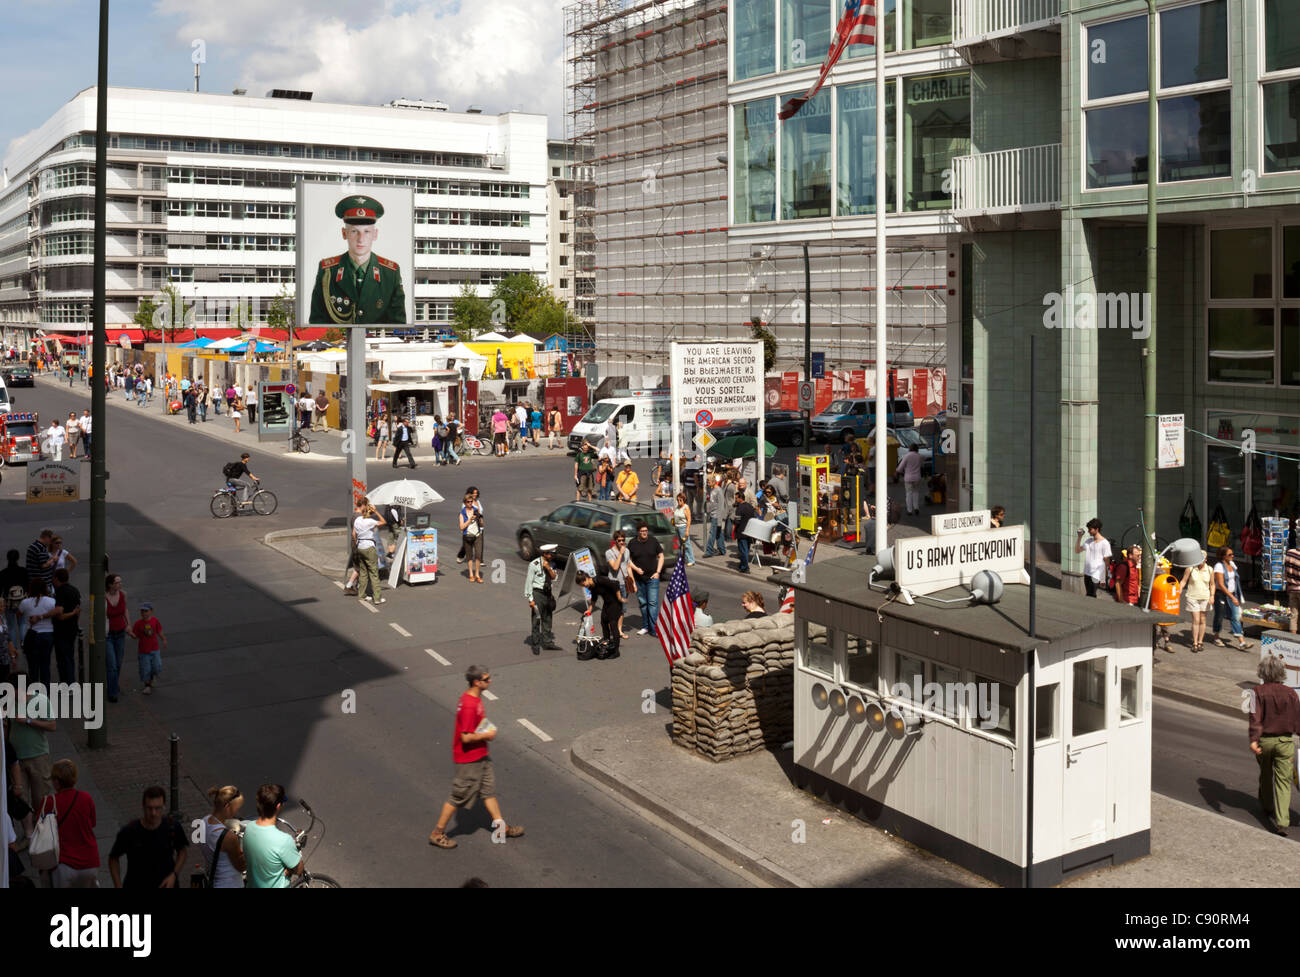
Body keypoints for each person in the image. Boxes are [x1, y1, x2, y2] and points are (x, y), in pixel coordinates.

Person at [428, 666, 525, 849]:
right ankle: (437, 832)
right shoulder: (469, 705)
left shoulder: (473, 699)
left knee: (488, 792)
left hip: (481, 756)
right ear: (477, 682)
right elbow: (465, 737)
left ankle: (501, 827)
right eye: (487, 679)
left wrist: (487, 728)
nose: (490, 681)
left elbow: (477, 723)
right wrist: (486, 735)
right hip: (469, 760)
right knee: (458, 797)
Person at [309, 194, 406, 325]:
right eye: (354, 231)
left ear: (375, 235)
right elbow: (317, 322)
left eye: (367, 232)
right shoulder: (328, 271)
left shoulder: (390, 272)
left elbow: (398, 324)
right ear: (344, 233)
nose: (361, 239)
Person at [1248, 655, 1300, 836]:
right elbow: (1297, 721)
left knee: (1265, 774)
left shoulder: (1256, 692)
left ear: (1262, 672)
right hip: (1285, 742)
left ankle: (1268, 807)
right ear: (1281, 672)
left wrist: (1254, 740)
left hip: (1264, 742)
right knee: (1283, 781)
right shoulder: (1292, 693)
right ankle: (1282, 821)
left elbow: (1255, 719)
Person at [108, 786, 188, 888]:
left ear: (164, 807)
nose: (153, 813)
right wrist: (118, 886)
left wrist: (174, 875)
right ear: (143, 807)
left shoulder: (172, 827)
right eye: (149, 808)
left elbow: (182, 852)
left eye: (157, 808)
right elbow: (113, 858)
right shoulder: (130, 831)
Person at [39, 759, 99, 888]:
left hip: (63, 864)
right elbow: (92, 823)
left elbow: (40, 830)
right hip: (89, 862)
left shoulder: (49, 802)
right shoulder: (86, 798)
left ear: (56, 781)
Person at [10, 680, 55, 836]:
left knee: (40, 797)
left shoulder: (41, 701)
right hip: (17, 759)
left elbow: (52, 726)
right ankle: (29, 834)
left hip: (38, 757)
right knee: (21, 798)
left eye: (13, 689)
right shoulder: (9, 702)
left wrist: (28, 720)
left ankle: (42, 831)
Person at [241, 784, 303, 887]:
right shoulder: (283, 840)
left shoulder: (249, 828)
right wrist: (289, 869)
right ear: (278, 806)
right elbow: (299, 869)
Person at [201, 786, 247, 888]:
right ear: (227, 806)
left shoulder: (203, 821)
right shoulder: (228, 837)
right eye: (236, 808)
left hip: (213, 880)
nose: (236, 813)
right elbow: (241, 866)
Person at [19, 578, 58, 688]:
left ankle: (34, 690)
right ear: (45, 588)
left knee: (33, 666)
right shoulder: (51, 601)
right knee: (45, 664)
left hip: (32, 635)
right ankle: (45, 690)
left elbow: (19, 614)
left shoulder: (25, 602)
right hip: (48, 634)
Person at [576, 570, 623, 660]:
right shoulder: (592, 586)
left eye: (583, 584)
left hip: (615, 603)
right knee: (604, 622)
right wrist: (589, 610)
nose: (584, 586)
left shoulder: (599, 580)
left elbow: (615, 584)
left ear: (586, 579)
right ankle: (607, 643)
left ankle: (616, 651)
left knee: (613, 625)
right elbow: (594, 598)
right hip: (607, 603)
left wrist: (619, 597)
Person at [627, 521, 664, 636]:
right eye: (642, 531)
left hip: (653, 578)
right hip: (639, 579)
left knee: (652, 603)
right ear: (638, 532)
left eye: (646, 531)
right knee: (643, 604)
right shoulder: (632, 543)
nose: (644, 533)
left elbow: (661, 556)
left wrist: (658, 572)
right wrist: (636, 570)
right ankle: (645, 626)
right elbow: (628, 560)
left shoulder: (653, 541)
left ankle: (654, 629)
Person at [523, 544, 561, 654]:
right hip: (537, 594)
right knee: (536, 619)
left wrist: (548, 568)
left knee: (548, 618)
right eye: (551, 554)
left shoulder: (552, 564)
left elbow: (554, 578)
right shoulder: (534, 564)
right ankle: (535, 644)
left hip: (548, 594)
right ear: (545, 554)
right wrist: (530, 599)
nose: (553, 556)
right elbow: (529, 582)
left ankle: (547, 642)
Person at [1212, 546, 1251, 650]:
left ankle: (1242, 642)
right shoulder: (1218, 566)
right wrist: (1231, 597)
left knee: (1236, 616)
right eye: (1230, 554)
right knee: (1219, 616)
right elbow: (1220, 584)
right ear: (1223, 556)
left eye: (1233, 554)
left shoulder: (1232, 564)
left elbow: (1234, 580)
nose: (1233, 556)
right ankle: (1216, 636)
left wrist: (1236, 595)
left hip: (1233, 594)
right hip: (1221, 595)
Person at [352, 498, 387, 604]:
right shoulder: (370, 521)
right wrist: (376, 511)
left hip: (360, 546)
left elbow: (354, 534)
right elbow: (383, 522)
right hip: (369, 547)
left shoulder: (357, 520)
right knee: (374, 573)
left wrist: (357, 543)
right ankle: (377, 598)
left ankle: (361, 595)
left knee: (363, 572)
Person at [1179, 550, 1215, 652]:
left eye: (1202, 559)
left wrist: (1212, 596)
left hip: (1205, 597)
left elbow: (1212, 584)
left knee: (1203, 619)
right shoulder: (1190, 568)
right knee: (1196, 619)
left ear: (1206, 560)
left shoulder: (1210, 570)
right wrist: (1180, 588)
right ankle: (1194, 643)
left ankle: (1200, 642)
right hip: (1192, 596)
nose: (1200, 561)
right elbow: (1184, 581)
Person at [51, 568, 81, 684]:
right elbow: (79, 610)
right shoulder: (75, 590)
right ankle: (71, 682)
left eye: (53, 578)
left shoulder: (60, 592)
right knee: (69, 657)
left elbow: (60, 615)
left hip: (61, 630)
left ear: (57, 579)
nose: (52, 580)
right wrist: (74, 618)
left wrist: (71, 614)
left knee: (63, 659)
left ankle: (66, 683)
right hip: (72, 628)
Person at [131, 601, 167, 695]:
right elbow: (135, 636)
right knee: (145, 668)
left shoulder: (154, 620)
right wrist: (129, 632)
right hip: (143, 651)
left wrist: (163, 639)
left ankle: (152, 677)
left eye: (146, 611)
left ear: (151, 611)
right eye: (142, 611)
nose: (143, 613)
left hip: (155, 649)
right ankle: (147, 686)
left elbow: (159, 631)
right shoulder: (138, 624)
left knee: (157, 667)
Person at [605, 530, 635, 640]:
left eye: (623, 540)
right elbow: (615, 567)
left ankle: (619, 630)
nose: (622, 542)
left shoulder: (627, 551)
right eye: (619, 541)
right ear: (615, 541)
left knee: (622, 609)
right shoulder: (609, 553)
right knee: (613, 609)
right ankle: (611, 631)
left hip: (624, 584)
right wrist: (621, 553)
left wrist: (633, 582)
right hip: (613, 584)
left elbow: (628, 567)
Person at [104, 573, 129, 702]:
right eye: (117, 582)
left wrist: (128, 624)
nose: (120, 584)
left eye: (120, 582)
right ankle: (112, 692)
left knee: (118, 663)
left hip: (120, 633)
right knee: (112, 665)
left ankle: (113, 683)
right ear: (110, 585)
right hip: (108, 635)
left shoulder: (122, 595)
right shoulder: (103, 597)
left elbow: (125, 610)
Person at [1, 549, 29, 652]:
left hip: (9, 603)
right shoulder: (24, 571)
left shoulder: (3, 573)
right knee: (23, 623)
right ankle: (23, 642)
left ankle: (14, 648)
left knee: (11, 625)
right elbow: (28, 586)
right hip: (22, 601)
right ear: (18, 558)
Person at [1074, 518, 1111, 598]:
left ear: (1096, 529)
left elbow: (1106, 562)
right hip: (1087, 573)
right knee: (1090, 594)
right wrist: (1079, 537)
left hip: (1096, 574)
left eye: (1090, 529)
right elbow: (1077, 550)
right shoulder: (1089, 541)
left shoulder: (1105, 543)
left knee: (1090, 595)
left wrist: (1103, 578)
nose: (1088, 531)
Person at [734, 488, 761, 574]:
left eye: (736, 498)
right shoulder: (750, 506)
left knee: (743, 550)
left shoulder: (740, 508)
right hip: (749, 532)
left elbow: (737, 521)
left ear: (740, 498)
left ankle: (745, 567)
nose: (735, 500)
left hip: (742, 532)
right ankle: (742, 564)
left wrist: (733, 522)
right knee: (746, 549)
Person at [897, 444, 924, 516]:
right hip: (917, 477)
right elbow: (922, 464)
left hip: (908, 477)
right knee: (916, 492)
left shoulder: (907, 456)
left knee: (909, 493)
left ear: (910, 448)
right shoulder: (920, 456)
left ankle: (909, 510)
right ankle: (916, 508)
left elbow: (900, 468)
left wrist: (898, 471)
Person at [704, 475, 727, 558]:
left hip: (716, 515)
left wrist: (719, 520)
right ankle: (722, 549)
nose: (707, 483)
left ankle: (709, 551)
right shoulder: (711, 489)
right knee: (718, 533)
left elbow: (721, 505)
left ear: (713, 482)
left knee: (712, 533)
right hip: (713, 514)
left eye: (708, 482)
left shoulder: (719, 490)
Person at [673, 492, 696, 566]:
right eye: (678, 500)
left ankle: (691, 560)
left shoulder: (686, 508)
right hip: (677, 527)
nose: (679, 502)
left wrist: (687, 530)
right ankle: (682, 559)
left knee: (686, 544)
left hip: (683, 527)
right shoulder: (677, 507)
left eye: (680, 500)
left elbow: (689, 519)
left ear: (684, 500)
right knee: (678, 545)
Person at [1285, 536, 1300, 634]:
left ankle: (1293, 640)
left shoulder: (1290, 552)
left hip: (1292, 588)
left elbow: (1285, 571)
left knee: (1294, 616)